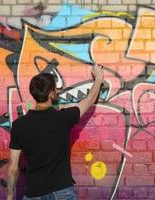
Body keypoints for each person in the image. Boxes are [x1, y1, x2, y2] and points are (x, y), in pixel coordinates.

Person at [7, 64, 104, 200]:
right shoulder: (63, 118)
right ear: (52, 93)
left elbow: (12, 169)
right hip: (62, 191)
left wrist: (10, 196)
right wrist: (98, 78)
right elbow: (89, 100)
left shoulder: (18, 126)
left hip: (33, 193)